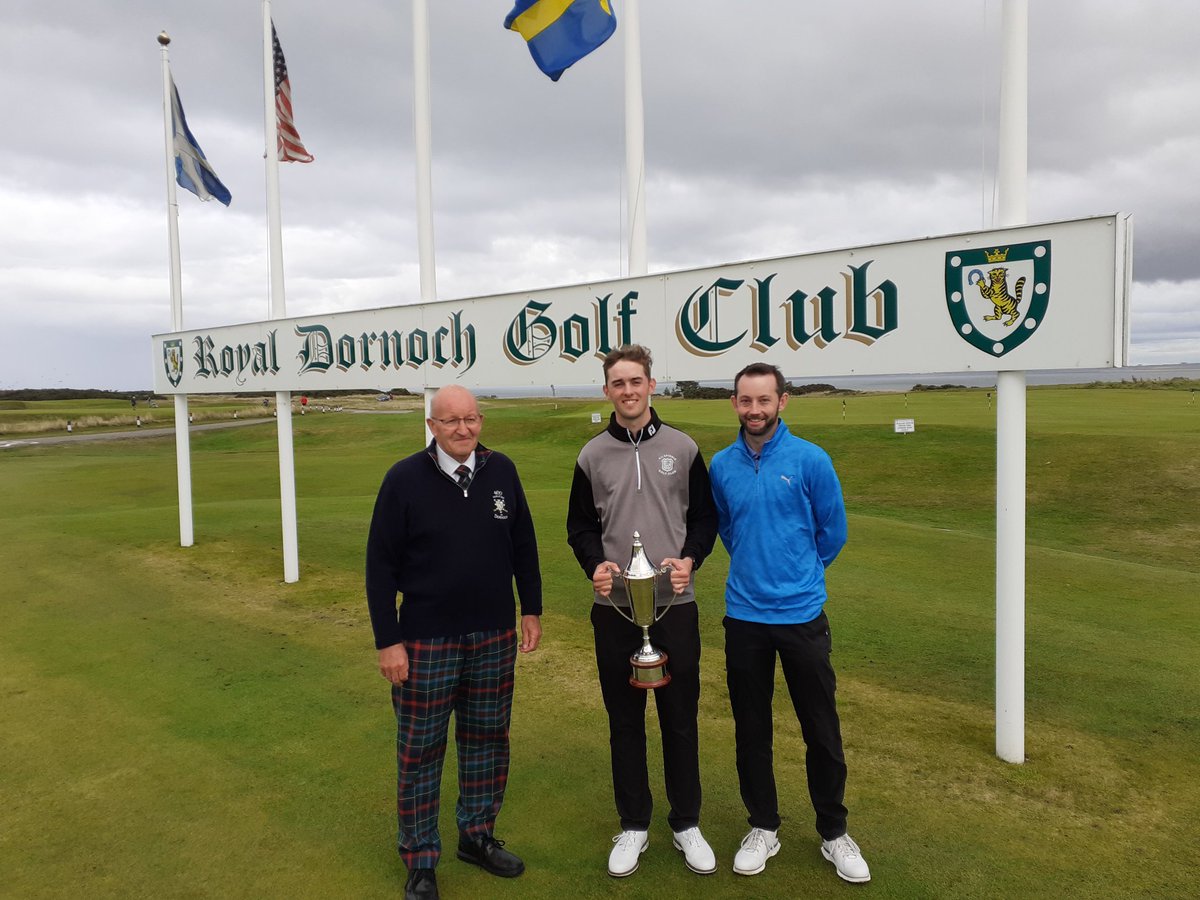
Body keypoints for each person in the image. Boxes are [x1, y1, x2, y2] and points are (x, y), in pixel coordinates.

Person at [366, 385, 543, 900]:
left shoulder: (501, 471)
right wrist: (388, 641)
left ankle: (477, 836)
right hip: (424, 641)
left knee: (487, 740)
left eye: (470, 419)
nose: (462, 429)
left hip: (494, 634)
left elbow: (524, 544)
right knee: (420, 751)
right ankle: (420, 859)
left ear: (481, 420)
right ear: (432, 425)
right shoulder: (403, 479)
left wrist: (530, 608)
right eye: (450, 421)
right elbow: (380, 567)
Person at [709, 362, 871, 884]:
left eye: (764, 400)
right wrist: (760, 569)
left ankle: (833, 832)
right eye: (745, 400)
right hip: (744, 619)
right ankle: (763, 826)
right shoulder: (722, 465)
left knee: (821, 730)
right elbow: (728, 530)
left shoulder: (810, 460)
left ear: (783, 402)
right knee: (751, 730)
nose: (754, 409)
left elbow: (833, 532)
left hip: (802, 617)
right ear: (734, 403)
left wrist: (799, 572)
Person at [566, 345, 719, 878]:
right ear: (606, 390)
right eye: (618, 383)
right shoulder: (591, 455)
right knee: (623, 720)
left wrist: (691, 558)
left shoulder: (684, 446)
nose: (628, 391)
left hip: (675, 603)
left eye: (636, 381)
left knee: (680, 719)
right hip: (615, 607)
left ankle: (686, 823)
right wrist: (594, 565)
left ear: (652, 385)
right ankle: (633, 824)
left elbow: (704, 519)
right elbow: (580, 527)